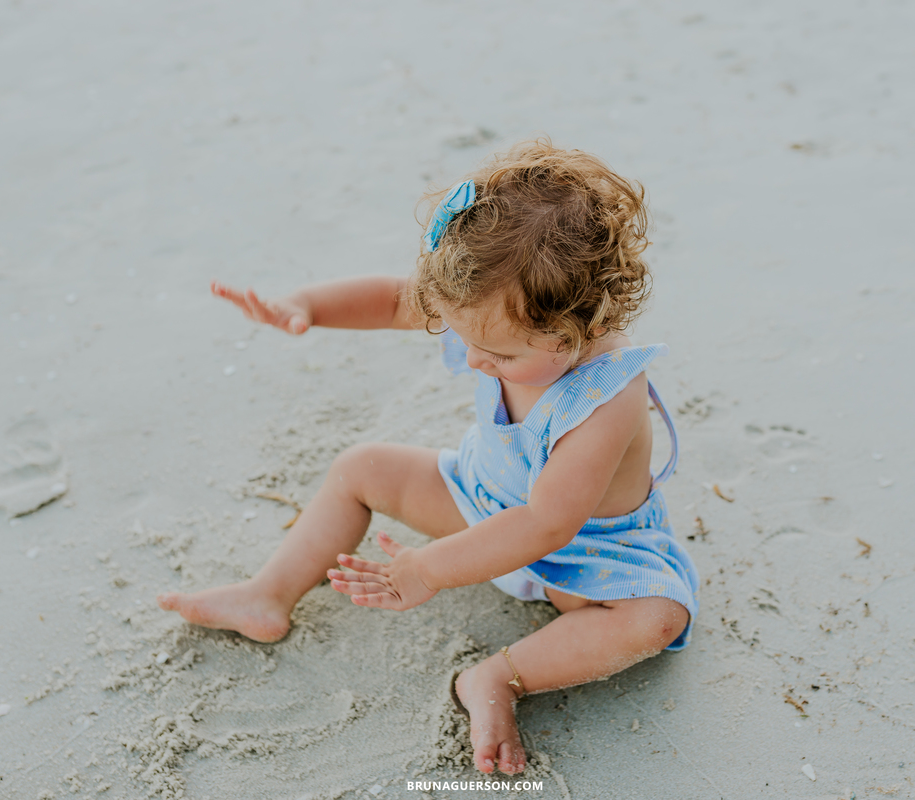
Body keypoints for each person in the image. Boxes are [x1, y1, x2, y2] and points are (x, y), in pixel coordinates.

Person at [158, 140, 699, 775]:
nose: (473, 361)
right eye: (462, 338)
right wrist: (306, 305)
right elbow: (393, 300)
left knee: (656, 619)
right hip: (478, 498)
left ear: (575, 331)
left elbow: (547, 524)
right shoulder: (494, 309)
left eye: (497, 356)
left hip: (583, 551)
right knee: (362, 468)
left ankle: (500, 677)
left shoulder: (608, 396)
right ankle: (267, 595)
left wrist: (428, 570)